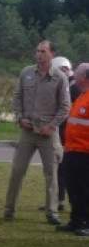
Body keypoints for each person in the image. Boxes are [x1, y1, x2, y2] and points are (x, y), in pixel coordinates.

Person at [3, 40, 71, 225]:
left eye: (43, 51)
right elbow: (17, 97)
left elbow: (65, 107)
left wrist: (52, 125)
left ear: (52, 54)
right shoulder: (26, 73)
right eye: (37, 51)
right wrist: (19, 117)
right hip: (28, 130)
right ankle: (9, 209)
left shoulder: (59, 77)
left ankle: (52, 211)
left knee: (51, 173)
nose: (38, 54)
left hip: (48, 133)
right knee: (17, 170)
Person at [62, 63, 89, 236]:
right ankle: (76, 220)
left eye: (76, 74)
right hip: (72, 150)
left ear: (85, 77)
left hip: (85, 153)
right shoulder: (81, 96)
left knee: (84, 189)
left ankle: (85, 222)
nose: (74, 77)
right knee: (73, 188)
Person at [50, 56, 76, 212]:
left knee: (61, 167)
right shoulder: (71, 85)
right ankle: (58, 199)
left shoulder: (72, 88)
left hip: (67, 133)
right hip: (66, 132)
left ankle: (59, 200)